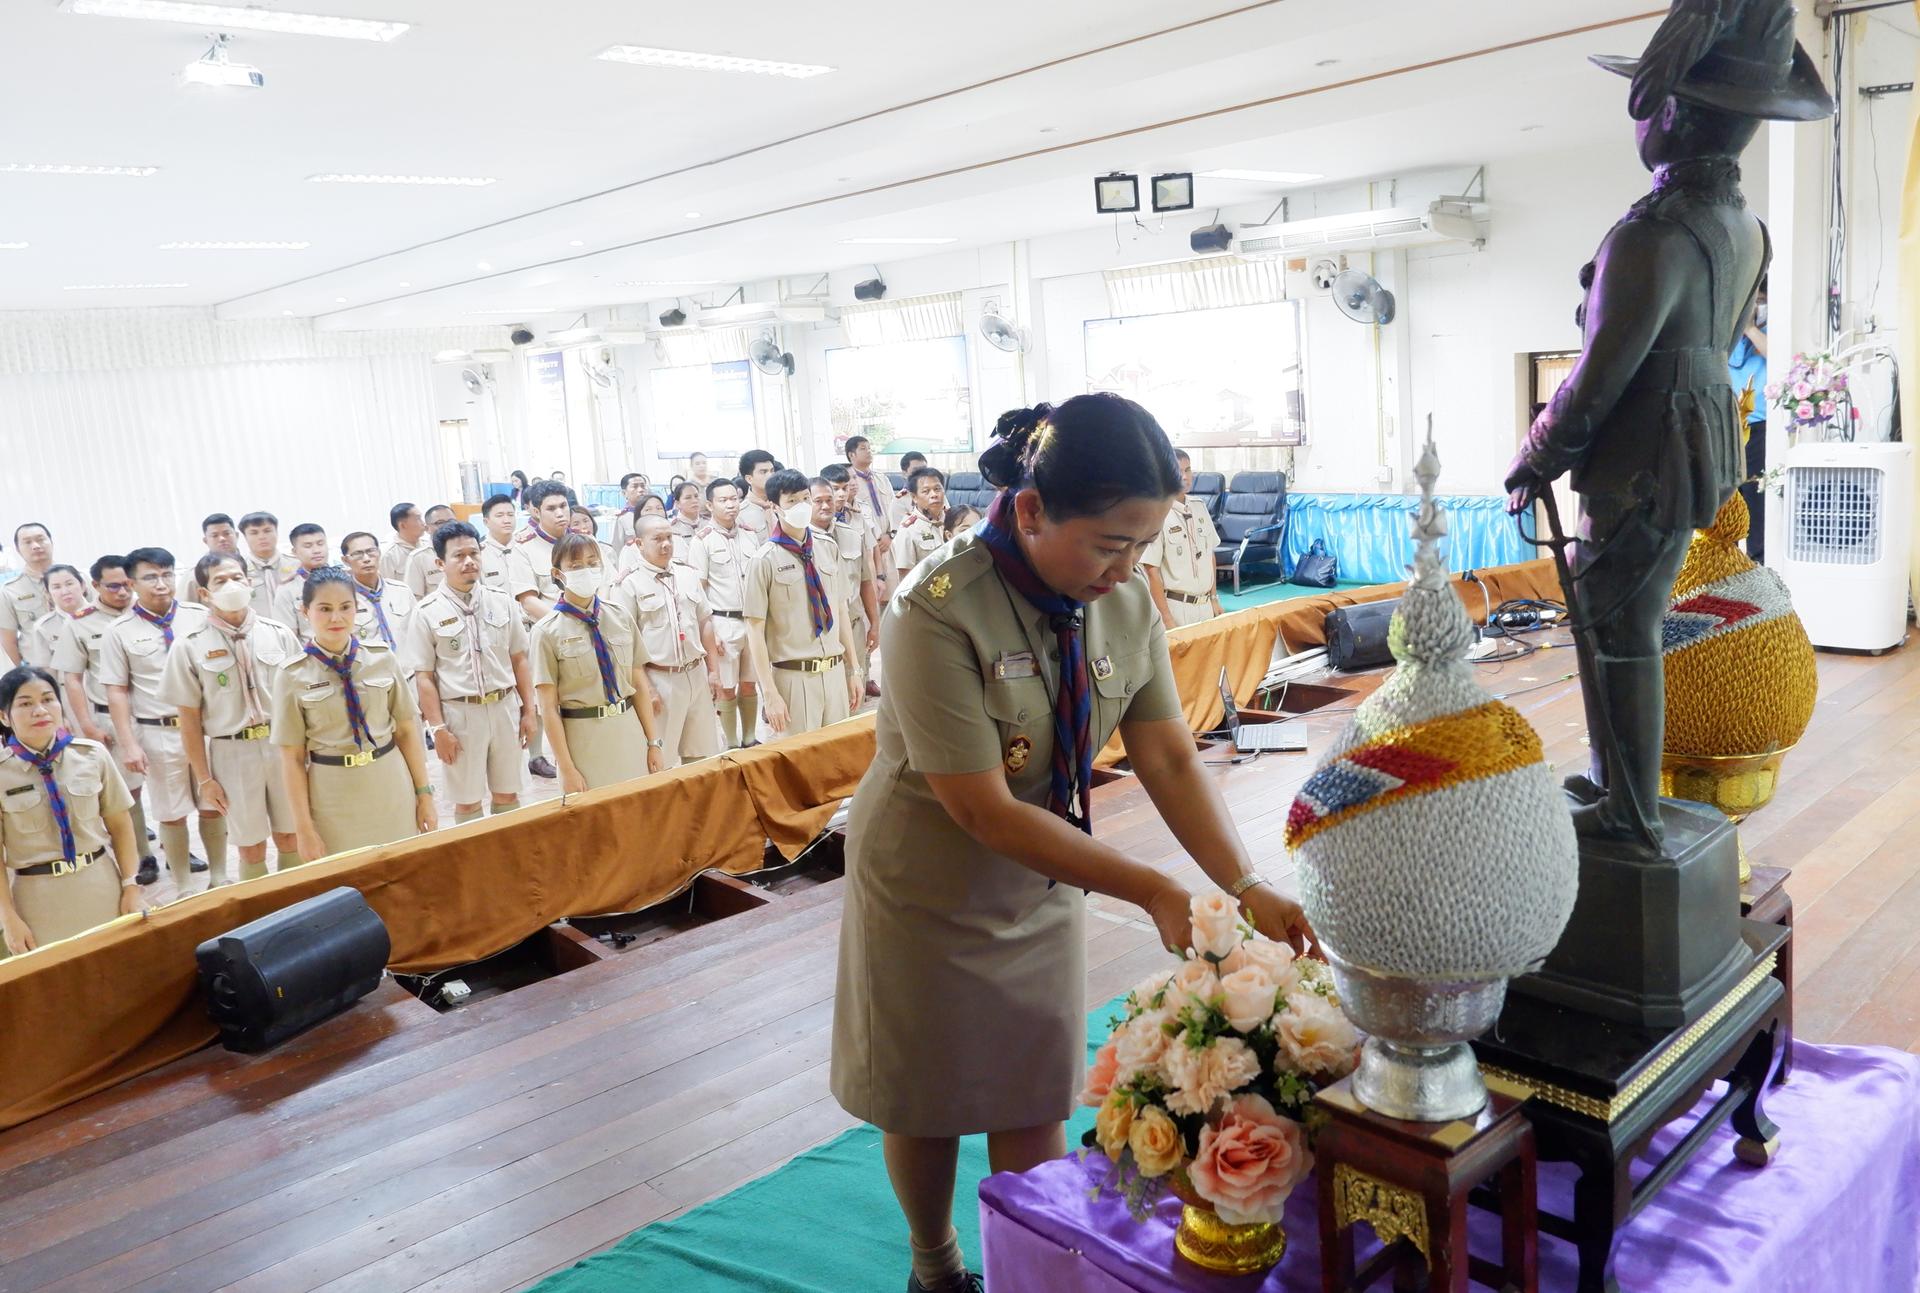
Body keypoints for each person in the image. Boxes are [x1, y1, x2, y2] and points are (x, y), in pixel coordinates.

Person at [829, 396, 1312, 1293]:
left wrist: (1245, 883)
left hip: (1051, 871)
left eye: (1142, 543)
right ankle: (934, 1265)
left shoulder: (1123, 602)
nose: (1126, 566)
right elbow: (980, 810)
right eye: (1107, 543)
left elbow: (1167, 753)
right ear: (1032, 510)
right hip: (930, 882)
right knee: (925, 1092)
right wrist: (1151, 890)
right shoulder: (934, 609)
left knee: (1031, 1083)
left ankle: (1028, 1262)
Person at [272, 567, 436, 861]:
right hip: (332, 794)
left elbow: (407, 731)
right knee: (348, 882)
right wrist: (304, 828)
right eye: (324, 609)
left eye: (345, 607)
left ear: (357, 608)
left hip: (389, 784)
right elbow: (292, 759)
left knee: (404, 872)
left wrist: (424, 794)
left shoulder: (381, 657)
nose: (336, 618)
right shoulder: (291, 675)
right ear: (305, 611)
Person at [162, 553, 302, 884]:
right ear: (204, 593)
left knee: (291, 835)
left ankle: (299, 906)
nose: (232, 585)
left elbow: (301, 698)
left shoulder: (279, 634)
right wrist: (204, 779)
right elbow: (190, 720)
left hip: (281, 745)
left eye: (238, 577)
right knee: (250, 846)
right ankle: (263, 916)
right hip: (231, 752)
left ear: (249, 582)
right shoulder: (189, 647)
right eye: (221, 581)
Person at [0, 665, 144, 956]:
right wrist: (9, 917)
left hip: (100, 883)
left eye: (48, 699)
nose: (40, 710)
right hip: (38, 898)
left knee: (117, 970)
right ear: (4, 716)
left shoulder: (92, 755)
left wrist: (131, 885)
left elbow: (121, 826)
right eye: (25, 703)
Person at [100, 547, 221, 893]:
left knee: (213, 803)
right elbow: (117, 692)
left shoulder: (200, 616)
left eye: (167, 574)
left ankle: (218, 877)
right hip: (160, 731)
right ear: (132, 583)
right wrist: (129, 743)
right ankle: (183, 885)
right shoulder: (118, 631)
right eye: (151, 576)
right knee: (171, 811)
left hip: (206, 728)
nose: (161, 583)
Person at [405, 521, 537, 824]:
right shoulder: (427, 612)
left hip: (505, 708)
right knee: (467, 801)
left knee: (508, 794)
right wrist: (438, 730)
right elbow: (425, 677)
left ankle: (507, 859)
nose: (468, 561)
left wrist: (529, 712)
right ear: (440, 563)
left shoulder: (501, 601)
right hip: (460, 715)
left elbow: (520, 659)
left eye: (474, 553)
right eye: (458, 556)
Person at [49, 556, 156, 884]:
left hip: (155, 714)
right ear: (94, 586)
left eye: (127, 584)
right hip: (110, 720)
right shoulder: (81, 623)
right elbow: (73, 680)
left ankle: (178, 847)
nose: (123, 592)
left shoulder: (148, 613)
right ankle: (143, 855)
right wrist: (88, 727)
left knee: (169, 789)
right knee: (129, 791)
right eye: (114, 586)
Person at [530, 533, 665, 792]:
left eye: (593, 563)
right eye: (576, 566)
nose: (587, 571)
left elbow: (638, 684)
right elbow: (548, 709)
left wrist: (653, 743)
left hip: (628, 730)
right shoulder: (546, 632)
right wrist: (566, 767)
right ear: (558, 574)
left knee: (637, 815)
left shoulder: (620, 616)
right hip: (584, 739)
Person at [744, 469, 862, 738]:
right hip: (793, 677)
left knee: (838, 759)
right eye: (792, 501)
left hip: (833, 671)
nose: (802, 506)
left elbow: (840, 609)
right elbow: (754, 630)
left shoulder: (826, 547)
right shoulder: (764, 560)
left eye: (805, 498)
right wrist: (770, 693)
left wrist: (854, 669)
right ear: (775, 507)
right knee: (800, 766)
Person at [611, 516, 724, 768]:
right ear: (639, 543)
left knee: (703, 756)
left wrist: (714, 671)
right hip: (659, 680)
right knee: (662, 762)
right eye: (657, 539)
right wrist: (647, 689)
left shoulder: (687, 574)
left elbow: (705, 622)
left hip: (696, 674)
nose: (666, 544)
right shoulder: (628, 584)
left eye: (669, 538)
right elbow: (625, 645)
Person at [691, 479, 763, 748]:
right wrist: (709, 632)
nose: (731, 504)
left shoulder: (750, 534)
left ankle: (750, 737)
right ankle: (732, 742)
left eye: (734, 498)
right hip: (723, 622)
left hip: (752, 621)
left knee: (749, 682)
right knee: (726, 686)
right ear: (709, 505)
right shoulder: (703, 541)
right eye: (723, 500)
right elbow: (699, 591)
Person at [510, 481, 573, 780]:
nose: (560, 513)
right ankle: (538, 755)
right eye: (551, 508)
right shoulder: (523, 548)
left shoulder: (581, 542)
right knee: (544, 699)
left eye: (563, 506)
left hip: (588, 631)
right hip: (547, 634)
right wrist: (569, 621)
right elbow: (528, 599)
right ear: (535, 512)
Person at [1142, 449, 1225, 629]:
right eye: (1178, 471)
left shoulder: (1199, 507)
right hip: (1176, 606)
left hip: (1205, 605)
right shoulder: (1157, 513)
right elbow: (1151, 571)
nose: (1185, 476)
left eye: (1187, 470)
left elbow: (1209, 555)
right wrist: (1166, 618)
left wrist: (1214, 599)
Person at [820, 465, 882, 697]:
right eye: (835, 489)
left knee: (857, 688)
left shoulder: (854, 526)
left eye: (845, 488)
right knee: (833, 695)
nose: (841, 494)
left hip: (854, 620)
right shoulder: (804, 535)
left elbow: (866, 577)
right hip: (824, 627)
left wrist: (874, 623)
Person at [1730, 278, 1769, 562]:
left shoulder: (1769, 331)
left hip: (1758, 429)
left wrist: (1751, 327)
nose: (1753, 306)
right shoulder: (1728, 337)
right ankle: (1723, 567)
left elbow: (1780, 358)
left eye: (1758, 300)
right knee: (1726, 503)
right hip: (1727, 430)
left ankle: (1758, 567)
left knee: (1757, 503)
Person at [340, 532, 419, 655]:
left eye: (371, 551)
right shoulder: (341, 600)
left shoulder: (401, 591)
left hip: (408, 671)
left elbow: (419, 632)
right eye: (358, 554)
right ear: (345, 560)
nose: (366, 559)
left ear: (379, 553)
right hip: (370, 672)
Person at [0, 522, 56, 666]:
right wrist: (24, 675)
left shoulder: (79, 579)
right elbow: (8, 640)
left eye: (40, 539)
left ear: (51, 542)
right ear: (18, 550)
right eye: (27, 542)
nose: (36, 546)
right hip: (42, 669)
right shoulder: (9, 590)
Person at [845, 435, 897, 584]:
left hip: (888, 543)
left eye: (869, 448)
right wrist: (874, 541)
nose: (868, 452)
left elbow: (894, 509)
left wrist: (890, 534)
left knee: (892, 591)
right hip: (868, 547)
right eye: (863, 449)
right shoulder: (849, 483)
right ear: (851, 455)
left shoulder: (882, 479)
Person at [269, 523, 333, 636]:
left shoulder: (345, 581)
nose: (316, 550)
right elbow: (288, 636)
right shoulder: (287, 589)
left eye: (320, 544)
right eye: (308, 546)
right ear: (294, 552)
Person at [239, 511, 300, 621]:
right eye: (254, 533)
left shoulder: (297, 564)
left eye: (267, 531)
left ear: (276, 532)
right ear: (245, 536)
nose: (262, 537)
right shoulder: (239, 571)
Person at [893, 467, 949, 577]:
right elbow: (905, 575)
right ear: (914, 497)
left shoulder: (953, 520)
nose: (934, 495)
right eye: (926, 491)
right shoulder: (908, 530)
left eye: (937, 489)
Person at [179, 514, 243, 606]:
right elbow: (185, 610)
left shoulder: (251, 566)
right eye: (214, 535)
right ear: (206, 541)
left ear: (236, 535)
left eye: (227, 533)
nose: (222, 539)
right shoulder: (194, 575)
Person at [402, 504, 457, 598]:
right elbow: (414, 598)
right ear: (427, 528)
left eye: (451, 521)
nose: (448, 526)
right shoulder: (418, 558)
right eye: (440, 522)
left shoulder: (470, 552)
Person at [477, 492, 518, 594]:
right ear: (486, 522)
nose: (506, 520)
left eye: (510, 515)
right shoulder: (479, 553)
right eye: (499, 516)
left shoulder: (524, 546)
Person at [736, 449, 778, 544]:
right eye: (763, 472)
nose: (770, 476)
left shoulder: (781, 504)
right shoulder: (740, 514)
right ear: (749, 479)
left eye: (772, 471)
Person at [381, 503, 426, 585]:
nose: (423, 523)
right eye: (418, 519)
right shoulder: (388, 555)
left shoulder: (428, 546)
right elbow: (388, 588)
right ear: (402, 525)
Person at [609, 472, 651, 551]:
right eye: (635, 487)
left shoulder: (654, 513)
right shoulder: (622, 518)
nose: (641, 490)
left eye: (643, 486)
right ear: (624, 493)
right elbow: (617, 548)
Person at [667, 480, 704, 564]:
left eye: (696, 496)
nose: (694, 500)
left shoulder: (708, 523)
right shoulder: (671, 529)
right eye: (688, 497)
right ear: (677, 503)